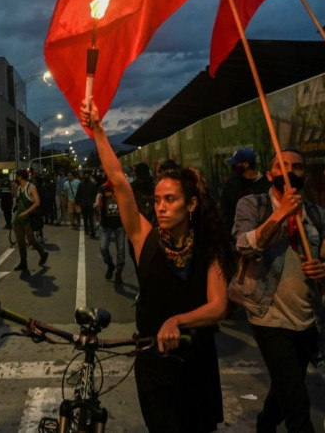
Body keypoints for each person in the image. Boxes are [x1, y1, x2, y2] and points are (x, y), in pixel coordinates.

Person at [82, 100, 232, 432]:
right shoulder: (144, 238)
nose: (161, 208)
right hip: (152, 361)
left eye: (171, 200)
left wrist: (178, 321)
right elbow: (119, 182)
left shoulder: (209, 247)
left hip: (196, 359)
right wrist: (98, 130)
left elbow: (218, 306)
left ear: (191, 204)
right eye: (158, 200)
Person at [230, 148, 325, 433]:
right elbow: (243, 245)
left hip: (308, 319)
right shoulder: (251, 205)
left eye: (298, 167)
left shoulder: (317, 215)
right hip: (267, 316)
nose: (290, 171)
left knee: (286, 385)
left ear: (305, 174)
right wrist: (281, 214)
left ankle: (266, 423)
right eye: (282, 166)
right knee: (297, 402)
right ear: (270, 175)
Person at [220, 148, 271, 241]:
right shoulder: (232, 184)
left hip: (263, 238)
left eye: (236, 163)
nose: (233, 166)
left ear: (246, 165)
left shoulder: (266, 184)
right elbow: (225, 212)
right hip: (236, 239)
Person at [12, 169, 49, 272]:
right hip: (18, 219)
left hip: (28, 218)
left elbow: (37, 203)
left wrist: (26, 212)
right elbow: (18, 200)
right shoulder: (19, 188)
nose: (15, 178)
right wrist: (15, 197)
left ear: (20, 177)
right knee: (20, 242)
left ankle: (42, 253)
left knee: (31, 239)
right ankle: (23, 262)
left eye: (16, 176)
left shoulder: (31, 187)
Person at [96, 179, 126, 284]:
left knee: (121, 250)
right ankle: (110, 264)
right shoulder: (103, 187)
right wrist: (96, 202)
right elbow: (99, 195)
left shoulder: (123, 186)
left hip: (120, 224)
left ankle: (118, 271)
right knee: (103, 247)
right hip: (106, 224)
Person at [76, 171, 97, 237]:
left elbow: (78, 195)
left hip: (86, 204)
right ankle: (90, 230)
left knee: (88, 218)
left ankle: (89, 230)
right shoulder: (91, 185)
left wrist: (78, 203)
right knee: (88, 218)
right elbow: (78, 194)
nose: (86, 176)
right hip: (87, 203)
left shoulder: (83, 185)